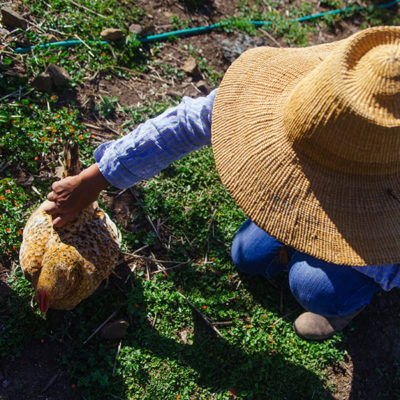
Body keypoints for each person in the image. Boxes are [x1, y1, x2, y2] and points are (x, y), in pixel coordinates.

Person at [45, 26, 400, 340]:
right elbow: (189, 121)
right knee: (247, 253)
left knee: (313, 287)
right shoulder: (339, 85)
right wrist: (97, 177)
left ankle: (347, 302)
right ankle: (308, 252)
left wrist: (357, 251)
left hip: (374, 252)